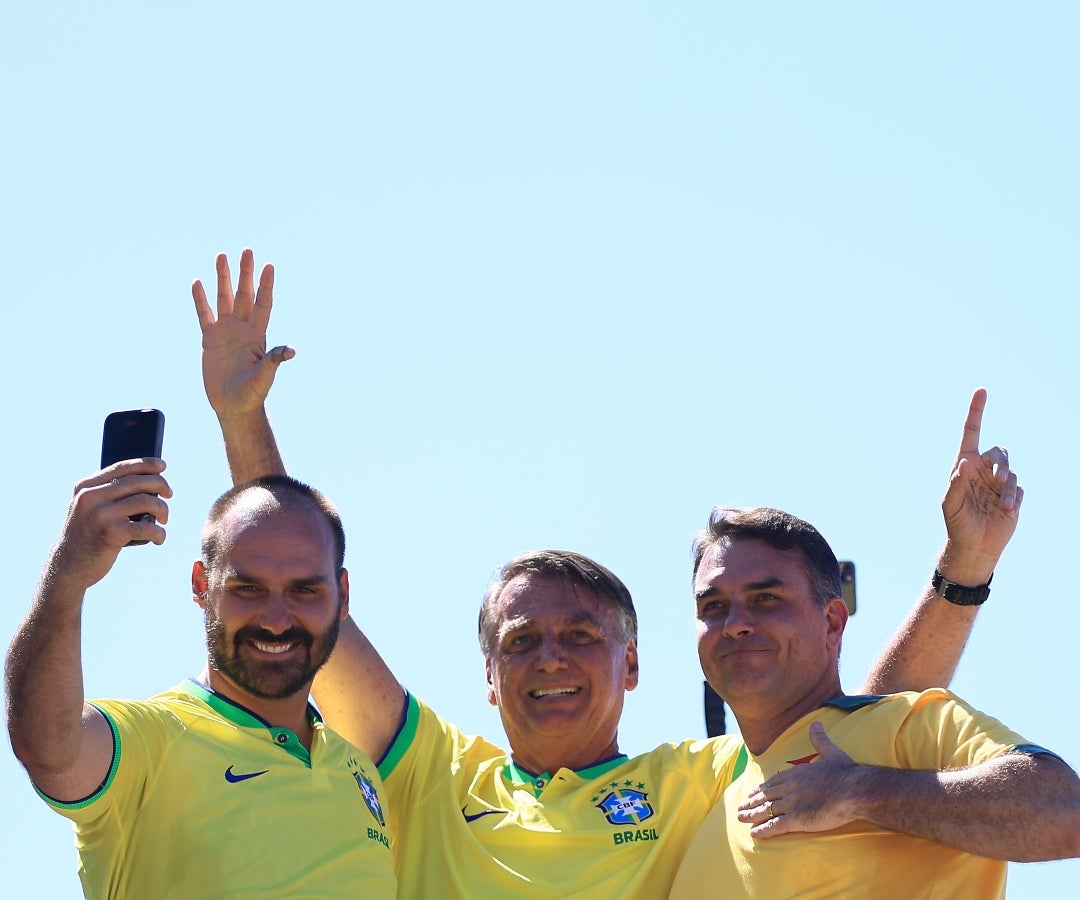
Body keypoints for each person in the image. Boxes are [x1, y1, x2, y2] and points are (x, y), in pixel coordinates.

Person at [192, 249, 1025, 897]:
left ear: (632, 662)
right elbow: (305, 600)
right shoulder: (429, 774)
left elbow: (855, 724)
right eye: (521, 641)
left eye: (581, 635)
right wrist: (242, 418)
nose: (550, 657)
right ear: (488, 675)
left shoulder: (697, 784)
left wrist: (962, 571)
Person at [4, 465, 396, 898]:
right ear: (201, 586)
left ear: (342, 595)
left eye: (304, 591)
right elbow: (50, 750)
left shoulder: (360, 772)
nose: (277, 621)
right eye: (248, 589)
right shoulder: (154, 740)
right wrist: (67, 574)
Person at [669, 506, 1080, 898]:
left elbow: (1066, 812)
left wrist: (858, 791)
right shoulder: (702, 791)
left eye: (766, 599)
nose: (735, 624)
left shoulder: (904, 725)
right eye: (713, 606)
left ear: (832, 622)